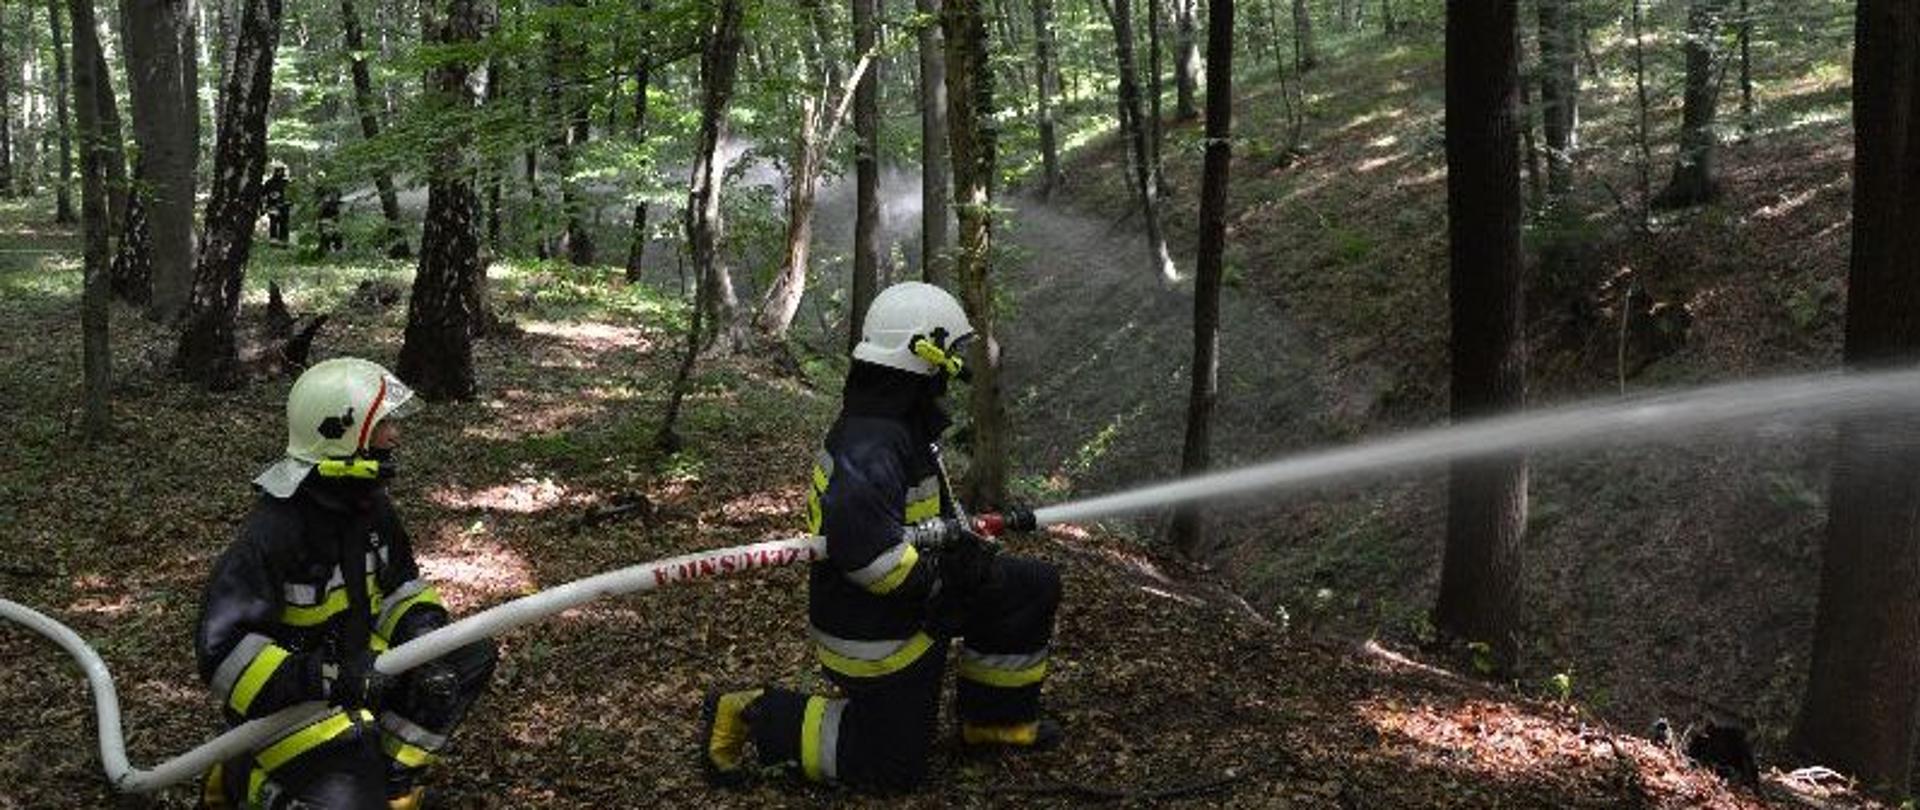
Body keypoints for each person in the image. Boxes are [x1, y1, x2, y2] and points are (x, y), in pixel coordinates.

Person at [700, 282, 1063, 792]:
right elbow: (869, 557)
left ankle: (993, 722)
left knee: (1028, 586)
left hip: (913, 600)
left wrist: (961, 555)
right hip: (875, 633)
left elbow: (916, 526)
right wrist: (946, 581)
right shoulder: (870, 445)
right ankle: (753, 713)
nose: (952, 367)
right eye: (949, 353)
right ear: (922, 353)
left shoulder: (900, 424)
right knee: (890, 768)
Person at [196, 358, 496, 809]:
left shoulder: (369, 507)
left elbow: (401, 591)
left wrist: (425, 640)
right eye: (384, 424)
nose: (396, 435)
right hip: (291, 707)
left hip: (362, 676)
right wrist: (327, 676)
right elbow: (224, 656)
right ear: (342, 433)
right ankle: (247, 781)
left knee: (467, 655)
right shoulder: (277, 529)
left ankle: (392, 778)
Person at [263, 165, 292, 246]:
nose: (280, 173)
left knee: (284, 224)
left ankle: (284, 242)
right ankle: (274, 241)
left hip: (284, 206)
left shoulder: (286, 183)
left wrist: (290, 202)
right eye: (278, 171)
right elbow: (263, 193)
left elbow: (292, 195)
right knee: (273, 223)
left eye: (281, 171)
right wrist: (264, 206)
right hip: (273, 206)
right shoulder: (269, 182)